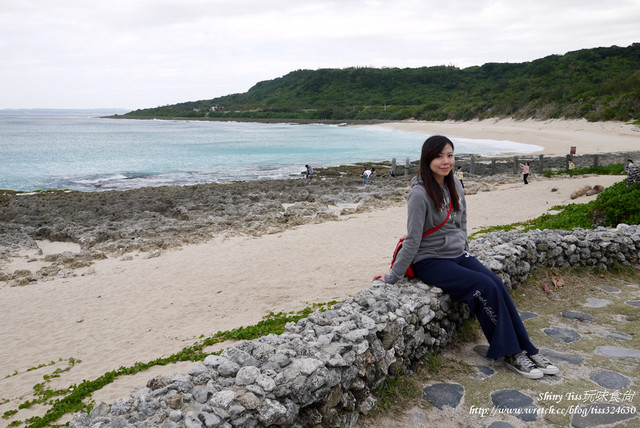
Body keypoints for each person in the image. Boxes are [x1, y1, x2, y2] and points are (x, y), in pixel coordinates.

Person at [373, 135, 559, 379]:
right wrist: (392, 276)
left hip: (458, 255)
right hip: (430, 261)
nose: (445, 161)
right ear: (427, 159)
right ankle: (511, 354)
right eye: (439, 156)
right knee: (483, 287)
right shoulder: (419, 195)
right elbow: (413, 239)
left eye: (449, 155)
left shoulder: (456, 185)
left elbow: (462, 224)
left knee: (496, 284)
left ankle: (528, 349)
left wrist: (466, 251)